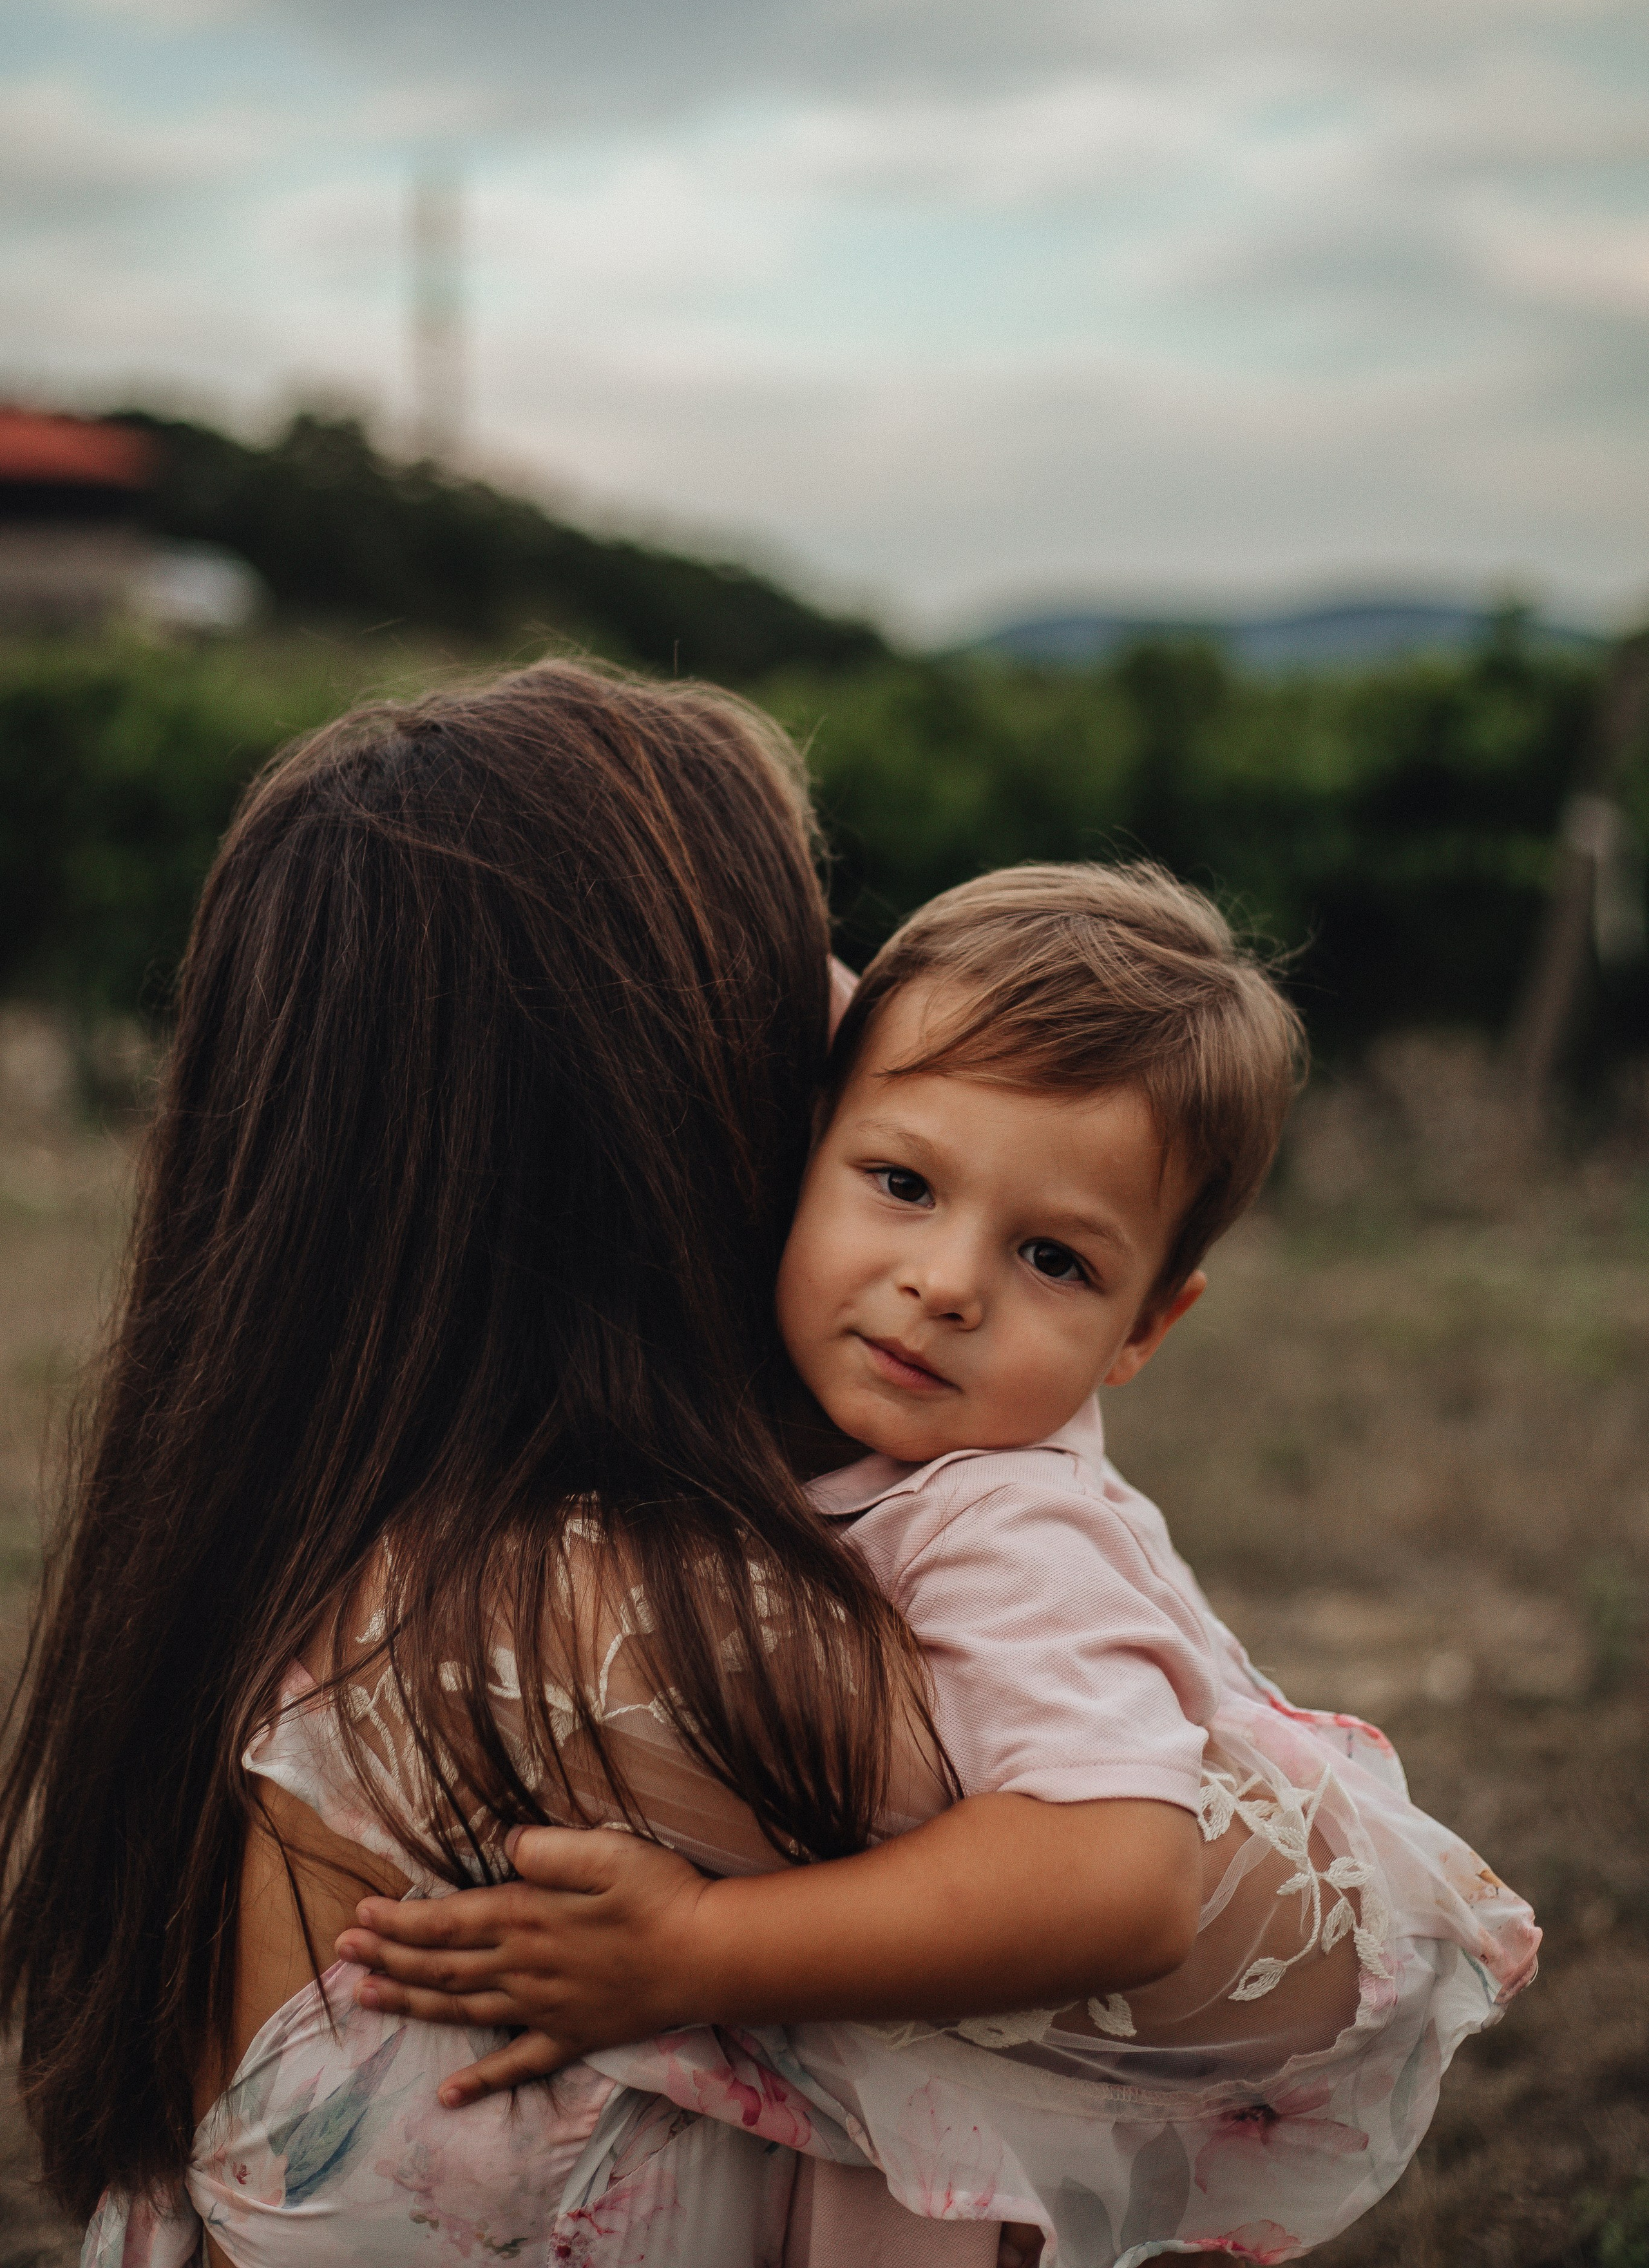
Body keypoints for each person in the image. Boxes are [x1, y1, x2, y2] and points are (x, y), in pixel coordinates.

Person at [339, 864, 1541, 2265]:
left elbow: (1114, 1877)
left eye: (1052, 1260)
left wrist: (694, 1954)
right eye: (901, 1183)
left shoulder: (1011, 1532)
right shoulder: (821, 1429)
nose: (948, 1281)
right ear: (794, 1147)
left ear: (1148, 1325)